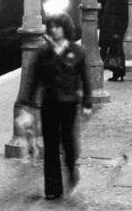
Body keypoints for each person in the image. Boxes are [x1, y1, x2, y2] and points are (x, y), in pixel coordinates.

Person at [22, 13, 92, 200]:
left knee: (69, 143)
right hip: (49, 103)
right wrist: (27, 103)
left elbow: (85, 78)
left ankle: (71, 168)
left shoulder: (77, 51)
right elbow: (33, 79)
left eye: (58, 26)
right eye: (51, 27)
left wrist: (87, 102)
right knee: (51, 145)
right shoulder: (43, 52)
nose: (54, 30)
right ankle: (53, 188)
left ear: (66, 28)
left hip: (69, 104)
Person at [99, 0, 127, 81]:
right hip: (115, 27)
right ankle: (118, 72)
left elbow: (115, 13)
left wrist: (116, 31)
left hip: (114, 27)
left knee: (116, 50)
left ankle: (118, 72)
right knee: (115, 49)